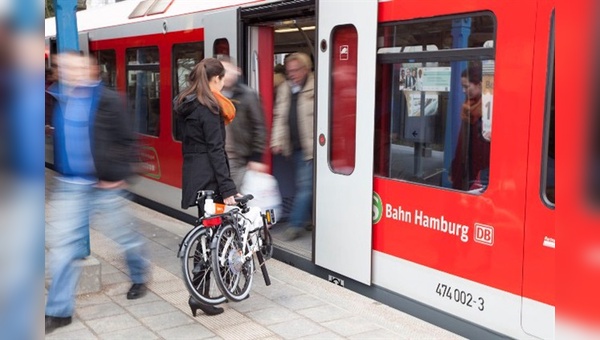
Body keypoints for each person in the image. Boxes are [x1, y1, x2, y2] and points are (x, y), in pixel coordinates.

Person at [45, 52, 148, 334]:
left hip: (105, 184)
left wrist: (117, 176)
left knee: (125, 237)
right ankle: (59, 311)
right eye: (63, 67)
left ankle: (139, 274)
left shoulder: (108, 99)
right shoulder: (57, 98)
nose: (69, 71)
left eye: (75, 66)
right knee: (63, 249)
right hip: (71, 185)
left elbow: (127, 140)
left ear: (89, 69)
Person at [173, 57, 240, 316]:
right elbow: (216, 151)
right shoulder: (210, 108)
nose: (224, 84)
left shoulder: (187, 104)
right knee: (212, 237)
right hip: (210, 180)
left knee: (207, 236)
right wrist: (229, 189)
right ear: (217, 79)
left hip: (194, 177)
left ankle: (201, 294)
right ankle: (201, 294)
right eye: (223, 79)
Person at [271, 52, 315, 241]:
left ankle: (295, 224)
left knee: (305, 186)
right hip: (296, 148)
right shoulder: (285, 89)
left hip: (314, 147)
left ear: (306, 69)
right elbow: (280, 116)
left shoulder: (316, 86)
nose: (292, 74)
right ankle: (312, 219)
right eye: (289, 71)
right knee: (307, 186)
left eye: (296, 70)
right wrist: (276, 141)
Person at [217, 55, 268, 189]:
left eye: (227, 70)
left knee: (233, 199)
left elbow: (259, 127)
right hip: (215, 159)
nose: (225, 75)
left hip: (237, 159)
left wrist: (257, 157)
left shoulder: (248, 95)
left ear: (237, 71)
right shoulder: (211, 95)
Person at [450, 66, 491, 191]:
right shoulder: (469, 106)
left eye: (467, 86)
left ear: (479, 84)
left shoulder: (489, 107)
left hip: (484, 165)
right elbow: (461, 141)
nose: (464, 91)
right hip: (468, 164)